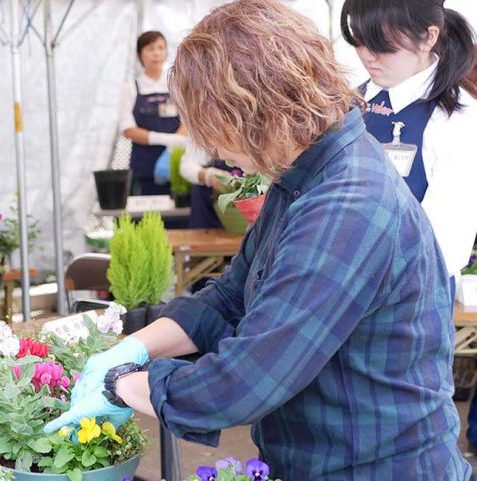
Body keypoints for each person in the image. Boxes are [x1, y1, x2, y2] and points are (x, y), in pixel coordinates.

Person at [44, 1, 470, 479]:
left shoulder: (348, 206)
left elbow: (246, 381)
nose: (216, 154)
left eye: (216, 132)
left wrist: (119, 385)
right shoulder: (304, 175)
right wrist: (134, 348)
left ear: (256, 111)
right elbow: (230, 297)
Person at [341, 0, 477, 301]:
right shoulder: (353, 99)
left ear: (429, 37)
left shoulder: (457, 120)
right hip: (344, 285)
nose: (368, 56)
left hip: (409, 302)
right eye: (360, 41)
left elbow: (444, 247)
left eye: (383, 45)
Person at [119, 31, 186, 196]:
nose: (156, 53)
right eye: (150, 48)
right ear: (139, 55)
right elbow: (128, 129)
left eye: (160, 47)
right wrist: (166, 139)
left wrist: (174, 147)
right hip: (144, 166)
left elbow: (189, 122)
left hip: (177, 164)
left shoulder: (176, 85)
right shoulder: (131, 88)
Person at [180, 140, 241, 228]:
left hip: (241, 215)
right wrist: (208, 175)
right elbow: (186, 166)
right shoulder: (202, 134)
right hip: (205, 208)